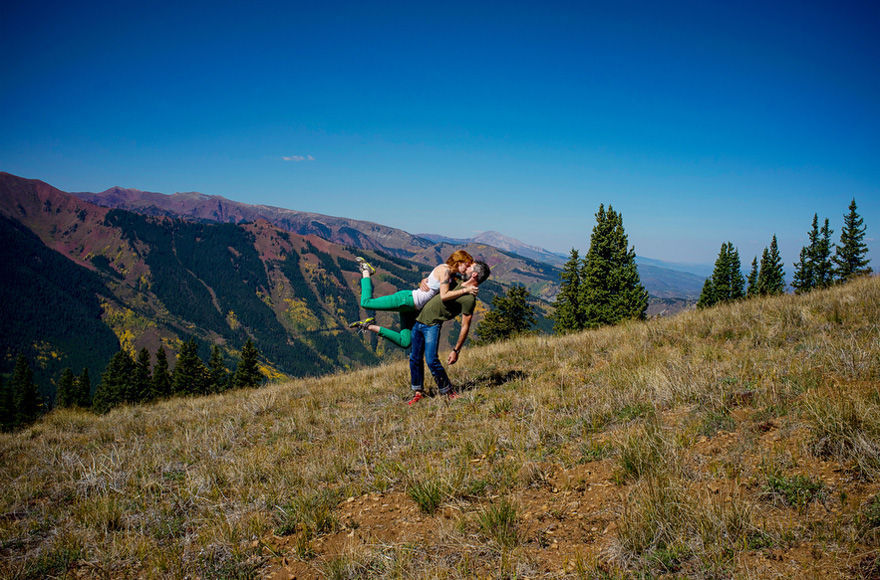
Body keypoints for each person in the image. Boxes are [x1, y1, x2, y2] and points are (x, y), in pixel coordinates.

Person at [348, 250, 477, 348]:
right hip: (406, 300)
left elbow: (432, 284)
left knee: (405, 342)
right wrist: (466, 290)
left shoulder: (450, 274)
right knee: (365, 303)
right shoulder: (445, 271)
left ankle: (368, 326)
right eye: (466, 264)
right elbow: (444, 296)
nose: (467, 268)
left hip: (411, 308)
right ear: (459, 261)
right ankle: (366, 270)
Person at [407, 261, 490, 405]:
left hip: (432, 326)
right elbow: (439, 275)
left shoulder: (469, 298)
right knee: (414, 358)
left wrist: (456, 350)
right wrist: (424, 280)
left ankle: (448, 392)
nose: (467, 267)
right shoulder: (458, 281)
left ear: (474, 274)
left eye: (470, 266)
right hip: (419, 321)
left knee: (431, 360)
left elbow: (465, 326)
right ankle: (418, 392)